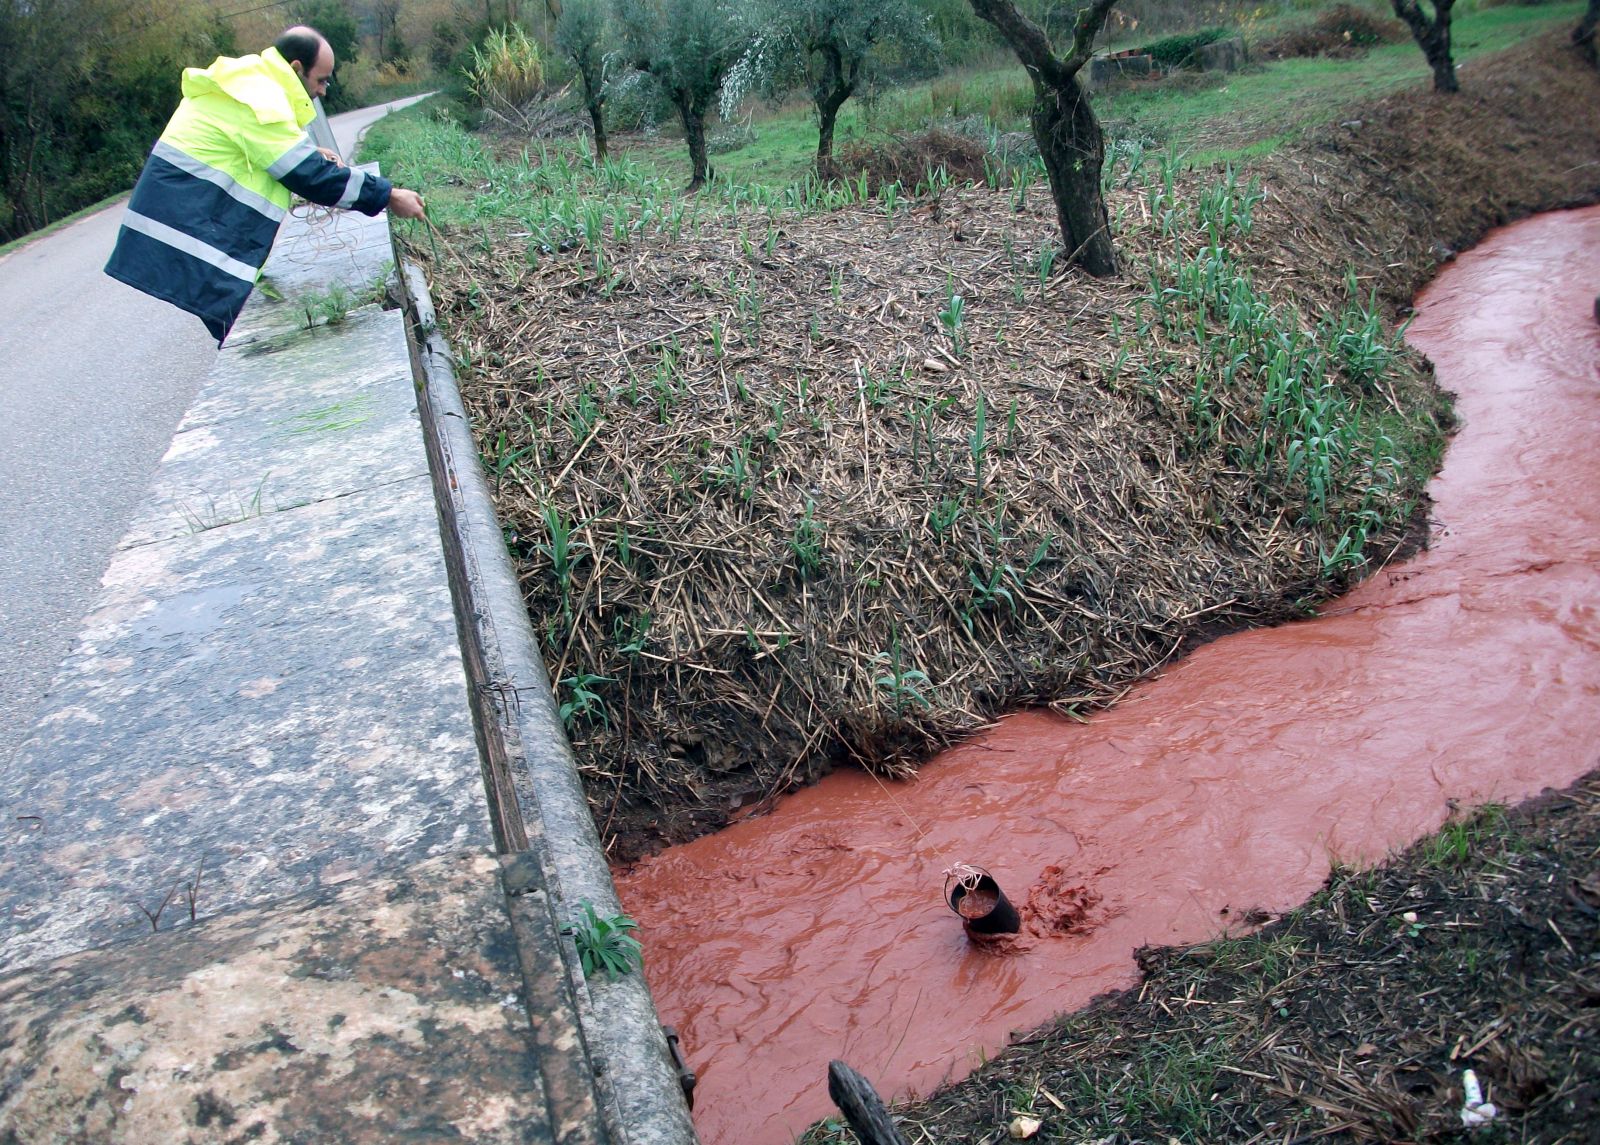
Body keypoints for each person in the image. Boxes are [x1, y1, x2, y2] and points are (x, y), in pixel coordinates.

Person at [104, 26, 426, 344]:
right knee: (254, 338)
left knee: (245, 331)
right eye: (321, 80)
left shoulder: (252, 83)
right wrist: (389, 195)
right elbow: (310, 176)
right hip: (188, 236)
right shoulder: (260, 96)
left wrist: (307, 152)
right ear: (297, 68)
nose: (324, 91)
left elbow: (250, 147)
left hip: (187, 228)